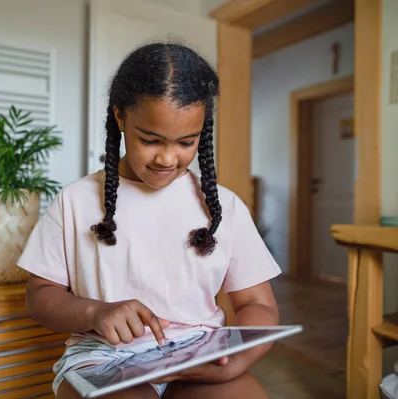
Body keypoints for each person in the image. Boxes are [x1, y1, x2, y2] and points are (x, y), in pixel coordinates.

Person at [16, 42, 281, 399]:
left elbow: (258, 306)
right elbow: (40, 296)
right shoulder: (75, 201)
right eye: (151, 140)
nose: (168, 158)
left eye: (187, 142)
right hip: (102, 358)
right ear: (121, 118)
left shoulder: (225, 207)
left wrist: (233, 360)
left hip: (196, 353)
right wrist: (96, 312)